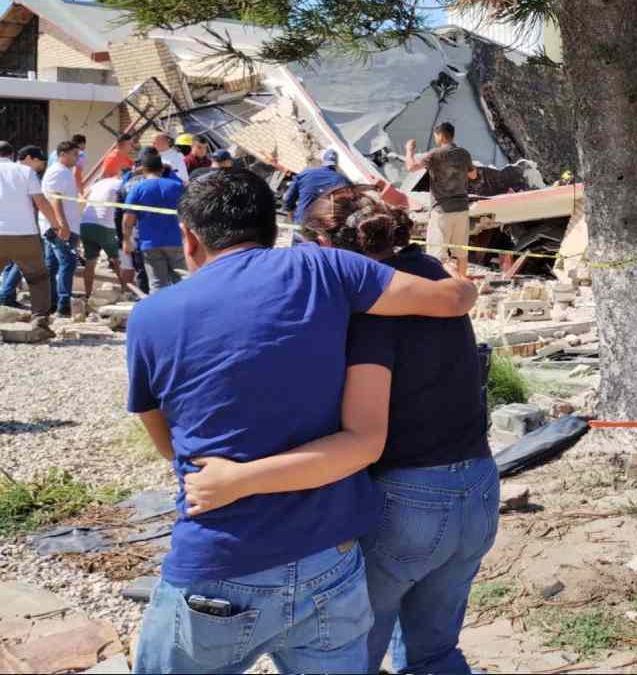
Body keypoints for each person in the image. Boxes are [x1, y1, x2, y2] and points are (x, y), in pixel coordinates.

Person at [126, 168, 478, 674]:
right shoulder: (325, 270)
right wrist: (462, 284)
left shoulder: (150, 316)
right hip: (329, 563)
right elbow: (449, 301)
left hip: (221, 558)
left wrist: (238, 477)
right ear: (273, 228)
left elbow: (166, 443)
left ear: (189, 237)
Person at [0, 141, 62, 337]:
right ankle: (40, 323)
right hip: (24, 233)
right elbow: (40, 201)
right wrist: (55, 224)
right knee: (38, 279)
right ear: (11, 154)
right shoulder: (25, 172)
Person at [405, 122, 478, 276]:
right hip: (462, 208)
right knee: (461, 253)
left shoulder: (435, 154)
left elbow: (411, 167)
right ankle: (462, 285)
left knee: (439, 255)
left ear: (440, 135)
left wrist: (409, 150)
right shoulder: (463, 153)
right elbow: (473, 175)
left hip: (442, 210)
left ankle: (448, 284)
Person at [123, 152, 185, 291]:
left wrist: (127, 240)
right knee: (182, 283)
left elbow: (128, 218)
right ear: (162, 169)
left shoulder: (137, 188)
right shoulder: (177, 186)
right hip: (176, 240)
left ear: (144, 169)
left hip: (150, 243)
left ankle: (160, 312)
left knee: (157, 285)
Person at [40, 141, 83, 316]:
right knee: (68, 263)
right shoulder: (58, 172)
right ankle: (63, 304)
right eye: (75, 154)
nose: (78, 158)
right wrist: (62, 225)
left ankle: (50, 303)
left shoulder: (64, 172)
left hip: (58, 226)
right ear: (63, 154)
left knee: (52, 265)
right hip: (59, 227)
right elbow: (55, 200)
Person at [80, 175, 127, 297]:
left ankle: (88, 294)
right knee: (116, 260)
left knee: (90, 262)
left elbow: (83, 199)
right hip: (104, 224)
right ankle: (125, 290)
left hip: (85, 223)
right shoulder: (120, 183)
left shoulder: (97, 184)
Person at [283, 148, 348, 226]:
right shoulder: (342, 181)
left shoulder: (306, 173)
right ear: (336, 164)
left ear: (322, 161)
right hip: (324, 229)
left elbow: (288, 198)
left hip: (302, 223)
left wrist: (292, 217)